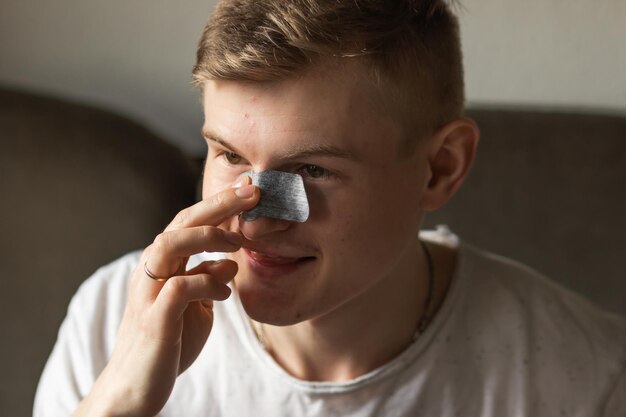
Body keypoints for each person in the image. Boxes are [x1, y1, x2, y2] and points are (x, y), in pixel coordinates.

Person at [34, 1, 625, 416]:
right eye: (230, 154)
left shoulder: (590, 379)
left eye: (314, 170)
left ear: (441, 167)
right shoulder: (108, 320)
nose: (257, 219)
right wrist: (115, 406)